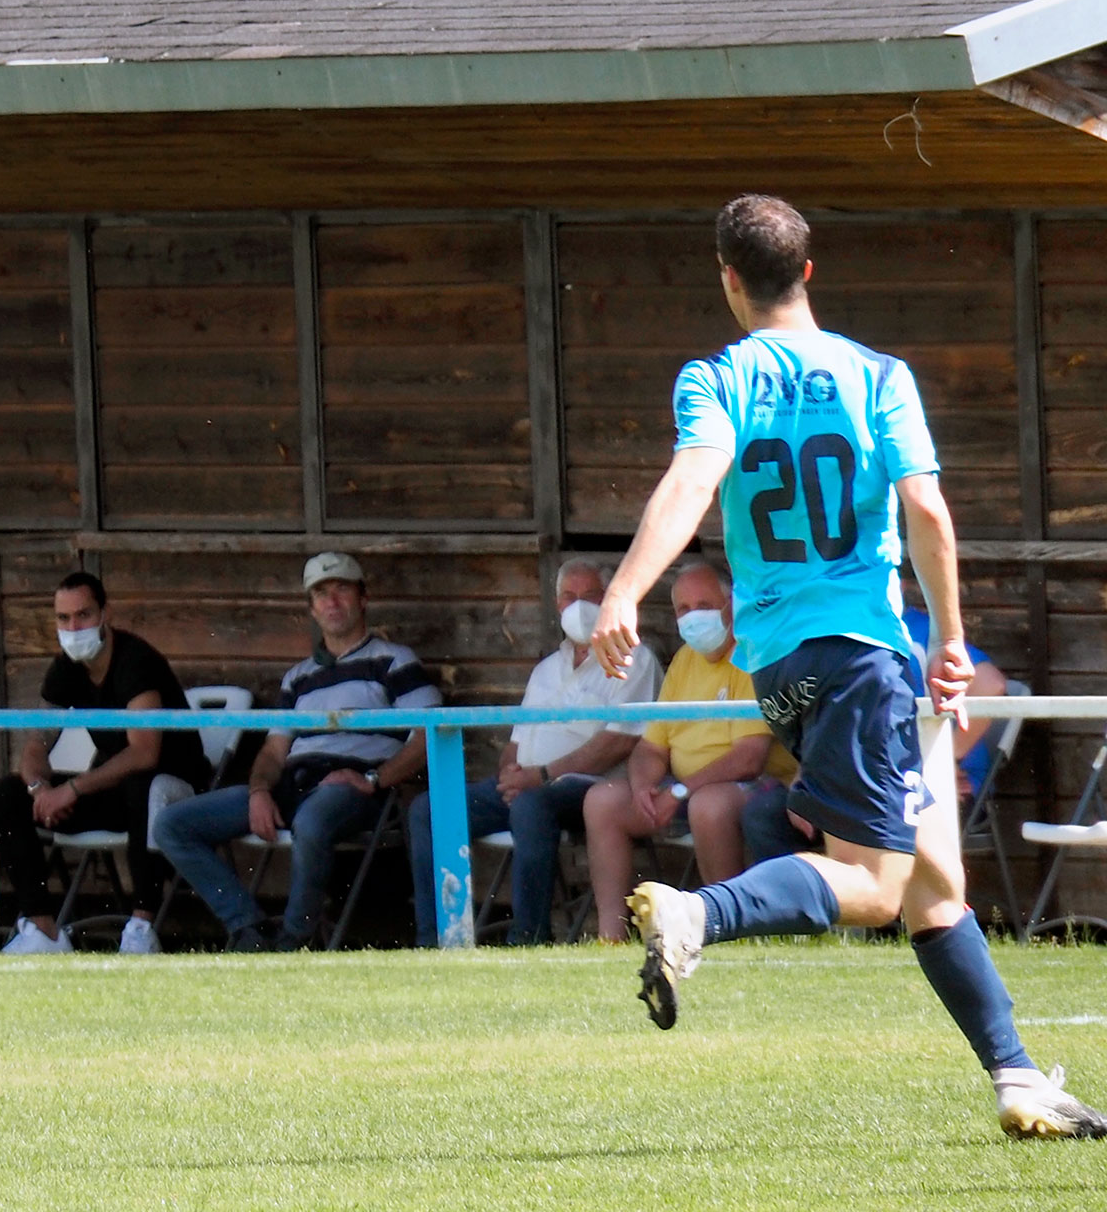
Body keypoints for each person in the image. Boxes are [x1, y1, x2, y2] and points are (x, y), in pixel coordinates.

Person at [590, 193, 1105, 1138]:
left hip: (780, 670)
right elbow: (930, 515)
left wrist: (626, 591)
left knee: (930, 882)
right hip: (865, 660)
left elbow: (693, 480)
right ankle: (701, 915)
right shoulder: (880, 376)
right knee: (871, 888)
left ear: (729, 280)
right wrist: (950, 638)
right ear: (810, 272)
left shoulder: (715, 376)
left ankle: (1018, 1078)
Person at [153, 553, 442, 952]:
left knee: (312, 821)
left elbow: (433, 736)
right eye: (321, 594)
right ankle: (249, 929)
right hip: (293, 785)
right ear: (311, 608)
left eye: (341, 589)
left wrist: (373, 779)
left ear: (363, 598)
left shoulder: (394, 660)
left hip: (357, 789)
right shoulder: (298, 677)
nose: (332, 602)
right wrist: (258, 791)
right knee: (172, 824)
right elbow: (274, 752)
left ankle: (294, 938)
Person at [407, 557, 661, 947]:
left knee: (531, 806)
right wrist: (511, 774)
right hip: (528, 784)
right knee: (430, 808)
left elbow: (617, 743)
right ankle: (435, 939)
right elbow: (516, 742)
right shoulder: (546, 669)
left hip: (589, 789)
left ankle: (528, 937)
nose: (579, 606)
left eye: (592, 596)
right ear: (557, 605)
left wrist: (539, 777)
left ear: (611, 599)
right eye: (569, 597)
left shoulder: (632, 658)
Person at [0, 572, 211, 956]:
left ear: (106, 613)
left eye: (83, 615)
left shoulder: (136, 660)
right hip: (114, 794)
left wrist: (71, 790)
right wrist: (39, 790)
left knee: (144, 783)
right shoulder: (66, 668)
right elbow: (36, 744)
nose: (73, 628)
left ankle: (143, 927)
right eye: (63, 619)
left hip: (175, 793)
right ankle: (43, 929)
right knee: (7, 794)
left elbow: (145, 752)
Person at [580, 562, 798, 942]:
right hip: (679, 789)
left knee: (708, 806)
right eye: (684, 609)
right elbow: (651, 748)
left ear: (730, 605)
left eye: (704, 604)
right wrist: (645, 787)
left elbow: (749, 759)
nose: (694, 616)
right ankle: (610, 937)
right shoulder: (684, 660)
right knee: (602, 801)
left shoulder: (752, 654)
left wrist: (680, 791)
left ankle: (727, 930)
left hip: (750, 786)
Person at [743, 604, 1007, 863]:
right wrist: (809, 780)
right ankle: (800, 905)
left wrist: (942, 764)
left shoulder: (915, 630)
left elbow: (990, 684)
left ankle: (880, 901)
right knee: (766, 815)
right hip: (861, 781)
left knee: (861, 827)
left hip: (936, 788)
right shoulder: (840, 637)